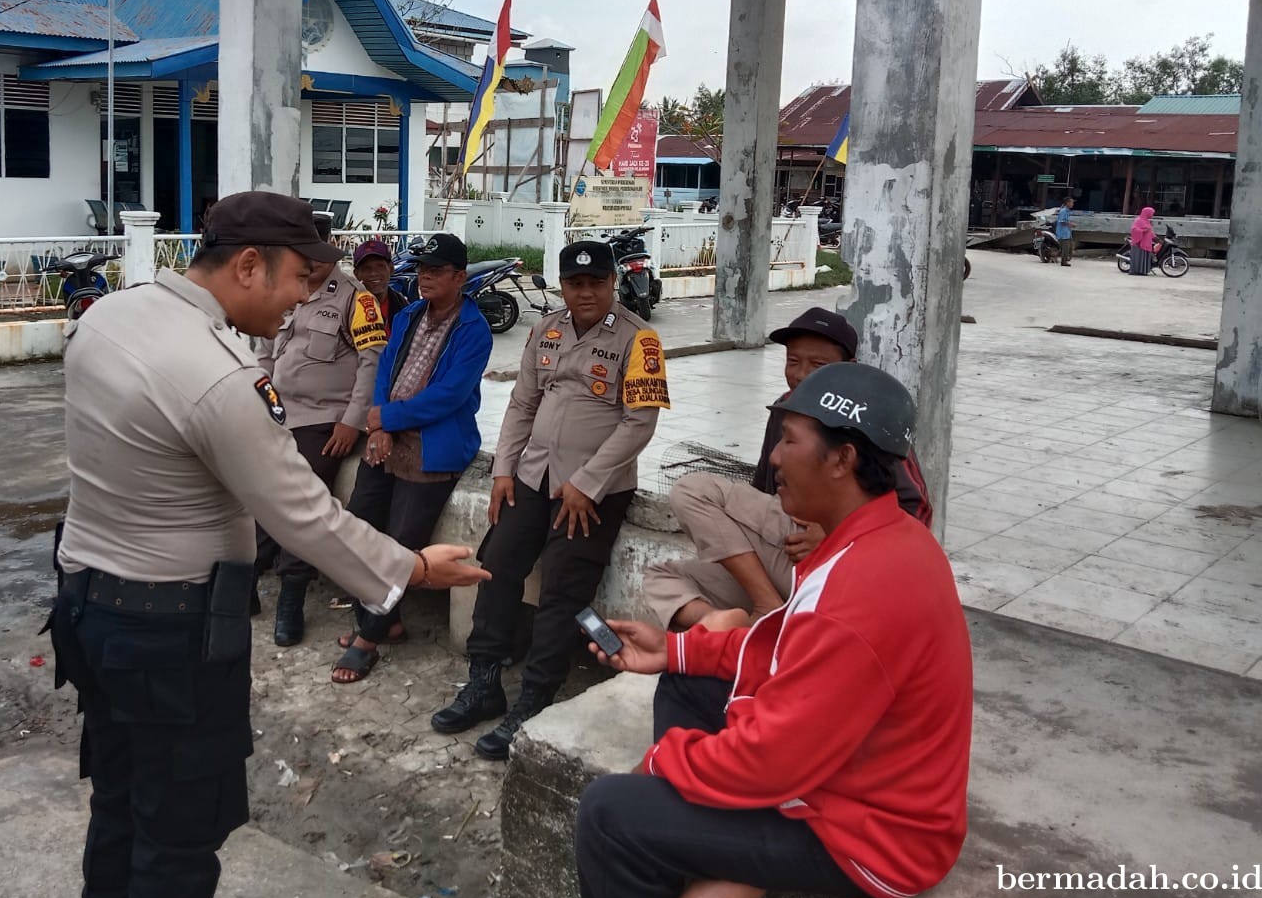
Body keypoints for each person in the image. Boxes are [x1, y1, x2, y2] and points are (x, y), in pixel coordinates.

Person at [46, 192, 488, 898]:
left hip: (85, 607)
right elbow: (303, 514)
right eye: (296, 282)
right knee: (177, 841)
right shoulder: (219, 374)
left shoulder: (110, 318)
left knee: (121, 804)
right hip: (166, 637)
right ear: (249, 265)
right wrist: (410, 567)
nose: (298, 303)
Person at [574, 362, 974, 898]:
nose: (774, 458)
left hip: (870, 838)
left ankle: (678, 842)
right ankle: (693, 851)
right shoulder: (878, 535)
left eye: (789, 441)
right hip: (838, 769)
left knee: (607, 814)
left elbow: (770, 761)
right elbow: (787, 649)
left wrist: (661, 765)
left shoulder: (862, 590)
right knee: (687, 682)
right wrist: (675, 649)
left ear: (842, 459)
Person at [431, 240, 670, 760]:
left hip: (594, 491)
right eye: (574, 283)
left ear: (613, 283)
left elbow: (640, 423)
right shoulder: (547, 329)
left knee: (563, 589)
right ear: (561, 285)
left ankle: (536, 698)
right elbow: (522, 403)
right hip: (534, 476)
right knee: (495, 564)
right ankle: (485, 679)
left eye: (596, 283)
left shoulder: (640, 340)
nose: (585, 292)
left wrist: (588, 481)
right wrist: (503, 470)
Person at [642, 307, 931, 630]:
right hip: (787, 553)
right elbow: (764, 490)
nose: (802, 374)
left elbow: (916, 510)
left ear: (848, 368)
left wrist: (836, 531)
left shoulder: (869, 420)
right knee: (662, 576)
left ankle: (765, 615)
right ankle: (753, 618)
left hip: (844, 557)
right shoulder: (786, 406)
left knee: (694, 489)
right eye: (793, 362)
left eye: (818, 365)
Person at [332, 231, 493, 683]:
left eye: (437, 271)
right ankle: (389, 622)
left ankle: (369, 638)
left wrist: (389, 418)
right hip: (389, 435)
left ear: (460, 277)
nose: (425, 278)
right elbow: (385, 370)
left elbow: (450, 395)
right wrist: (380, 423)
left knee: (403, 541)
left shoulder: (473, 330)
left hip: (434, 444)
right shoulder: (408, 315)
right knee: (362, 524)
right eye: (422, 270)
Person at [255, 218, 388, 647]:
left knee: (304, 499)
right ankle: (244, 577)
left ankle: (291, 595)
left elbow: (372, 362)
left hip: (324, 421)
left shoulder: (356, 298)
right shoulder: (283, 290)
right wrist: (261, 404)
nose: (305, 262)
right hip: (278, 413)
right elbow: (264, 352)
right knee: (254, 488)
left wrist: (352, 420)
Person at [352, 237, 411, 332]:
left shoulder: (405, 308)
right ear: (356, 274)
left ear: (391, 269)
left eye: (380, 266)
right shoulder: (348, 308)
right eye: (366, 268)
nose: (373, 273)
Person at [1129, 205, 1157, 276]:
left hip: (1146, 243)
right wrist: (1142, 231)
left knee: (1144, 257)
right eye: (1151, 213)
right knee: (1139, 257)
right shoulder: (1138, 220)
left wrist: (1156, 238)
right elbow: (1134, 229)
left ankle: (1143, 271)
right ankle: (1136, 271)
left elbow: (1150, 231)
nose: (1152, 215)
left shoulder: (1147, 221)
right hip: (1139, 243)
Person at [1055, 195, 1075, 266]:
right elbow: (1062, 221)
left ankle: (1063, 259)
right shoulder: (1063, 211)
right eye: (1072, 202)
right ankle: (1063, 262)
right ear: (1067, 203)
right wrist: (1070, 224)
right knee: (1065, 248)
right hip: (1063, 233)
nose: (1073, 204)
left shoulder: (1067, 211)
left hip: (1067, 232)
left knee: (1068, 248)